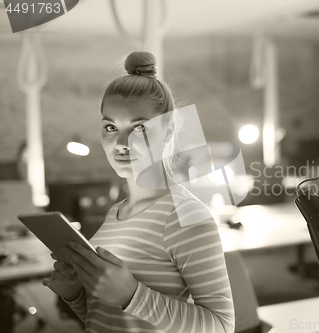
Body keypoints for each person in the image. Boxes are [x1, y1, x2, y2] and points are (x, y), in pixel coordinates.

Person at [41, 51, 235, 333]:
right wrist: (74, 295)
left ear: (168, 132)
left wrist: (131, 295)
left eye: (139, 128)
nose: (120, 143)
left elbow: (222, 326)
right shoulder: (114, 214)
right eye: (110, 127)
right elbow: (110, 322)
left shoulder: (185, 216)